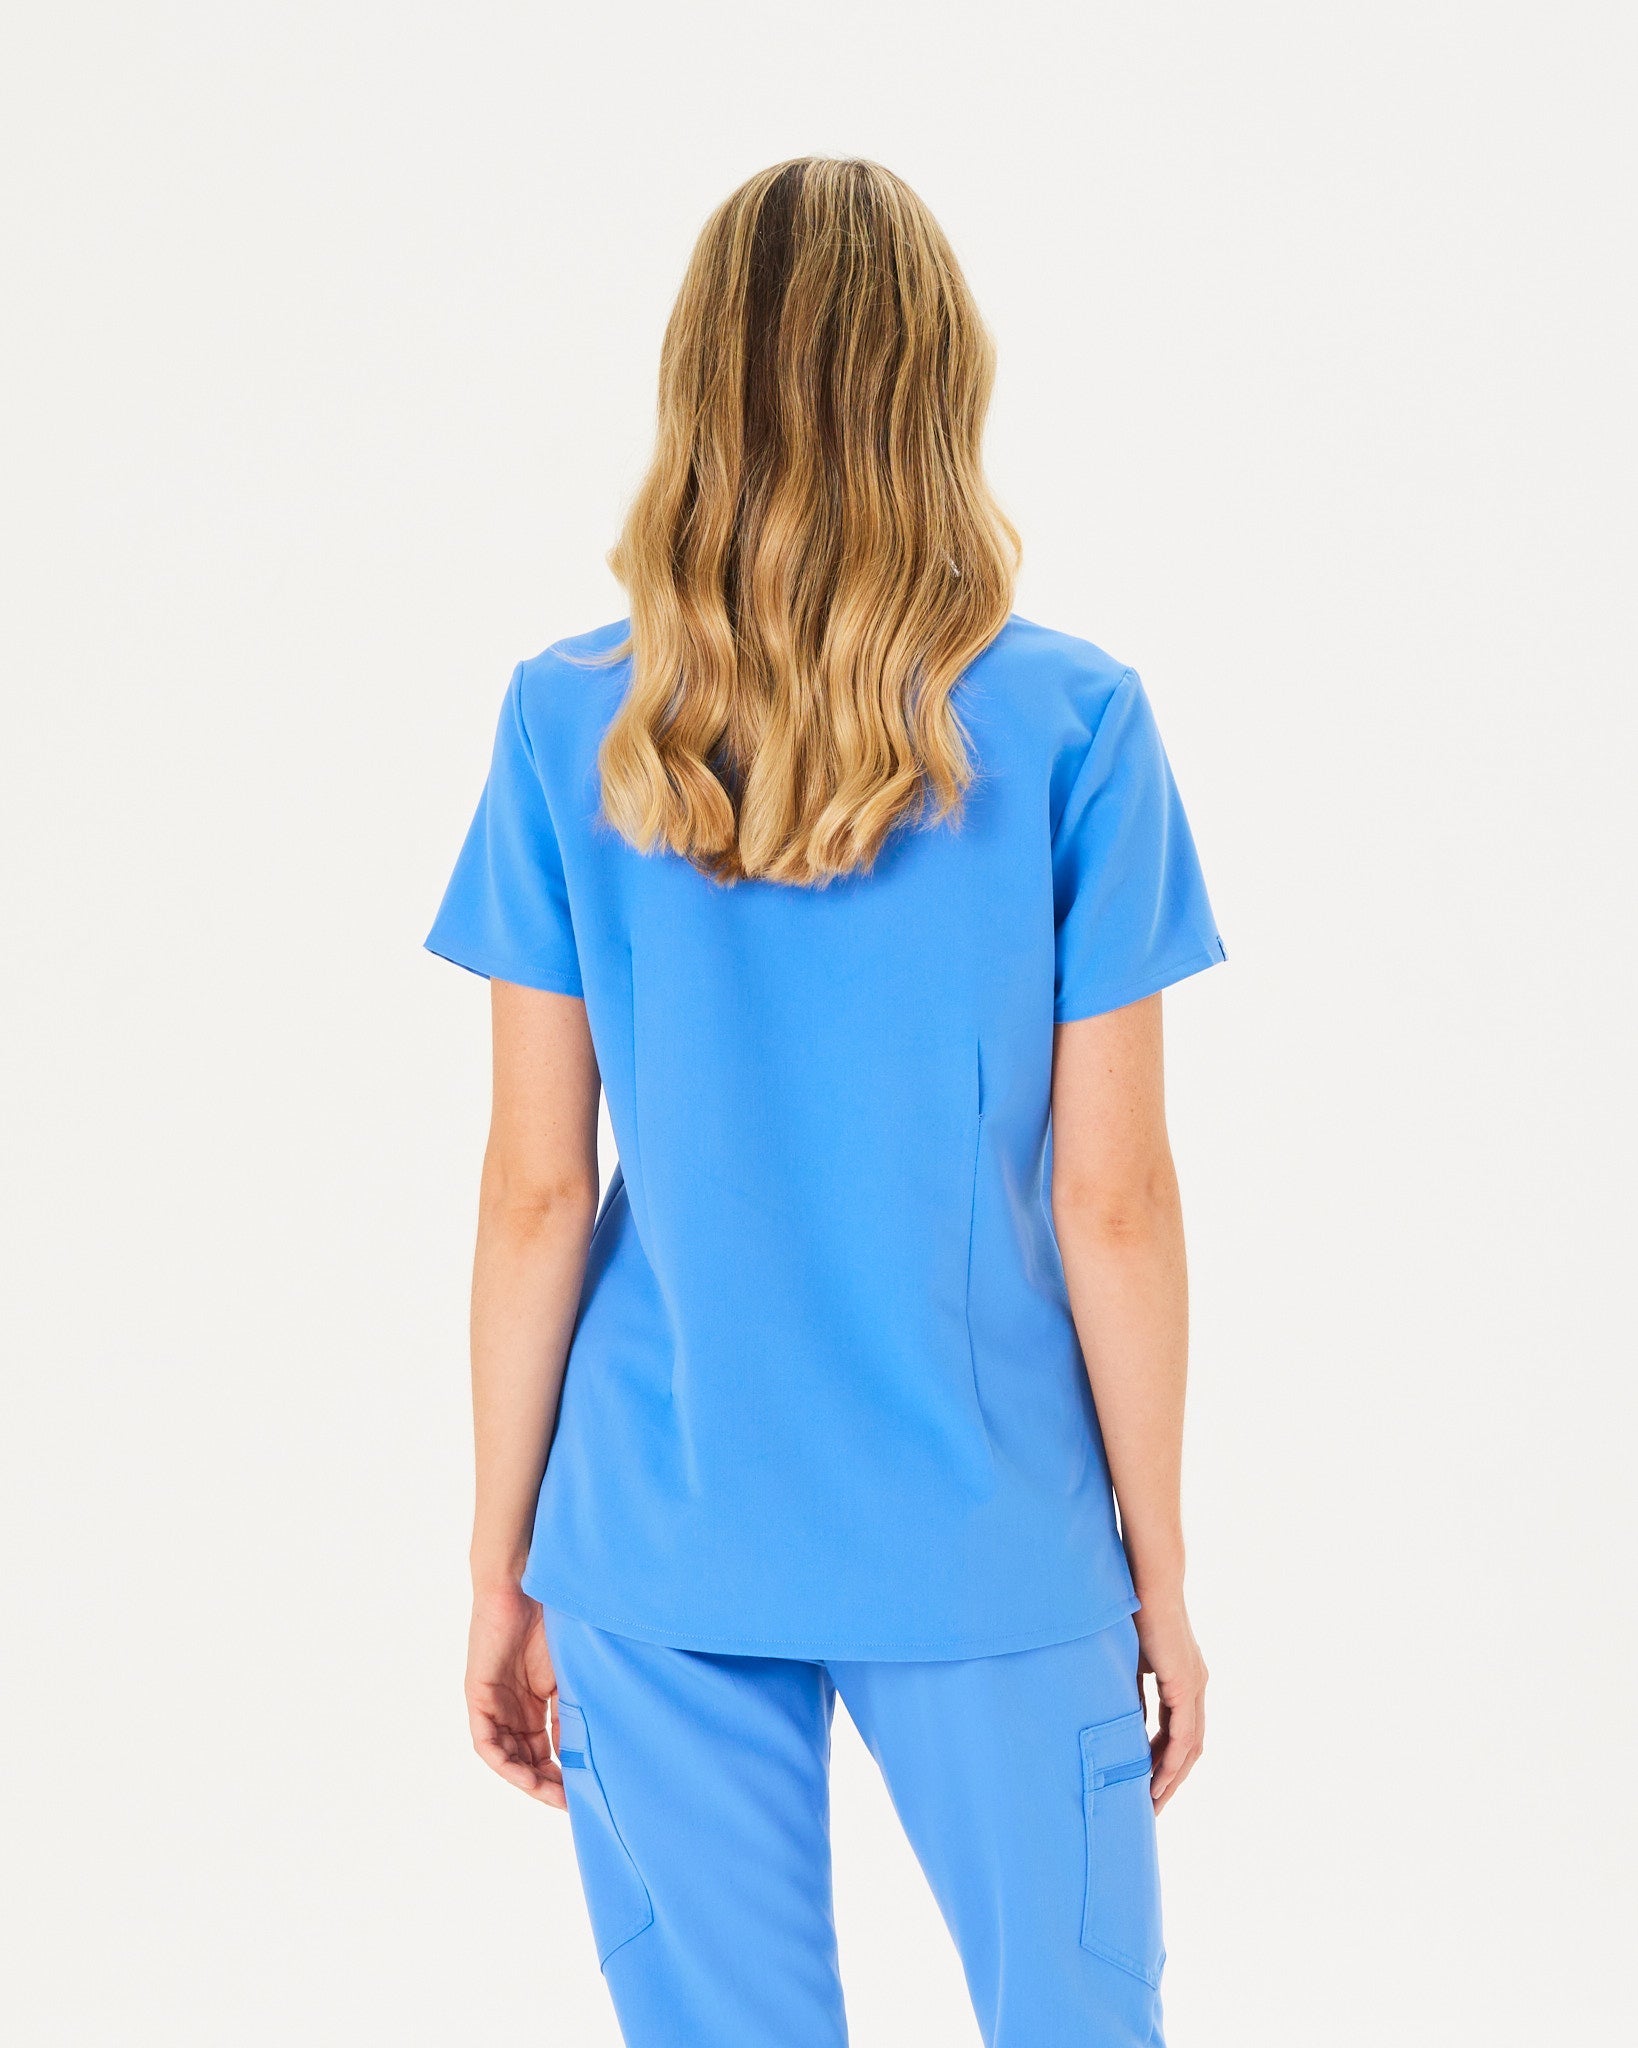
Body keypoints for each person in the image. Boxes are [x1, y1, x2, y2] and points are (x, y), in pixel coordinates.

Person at [426, 156, 1224, 2048]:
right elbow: (1112, 1203)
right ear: (941, 385)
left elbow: (537, 1192)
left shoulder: (570, 722)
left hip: (656, 1527)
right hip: (992, 1527)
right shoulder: (1074, 725)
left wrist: (501, 1561)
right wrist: (1159, 1567)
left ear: (696, 389)